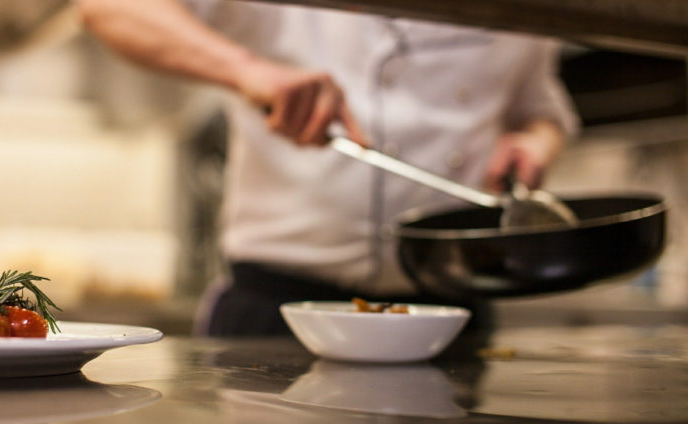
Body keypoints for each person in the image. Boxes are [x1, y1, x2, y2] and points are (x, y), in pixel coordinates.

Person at [76, 0, 579, 335]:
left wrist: (533, 144)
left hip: (452, 314)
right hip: (276, 309)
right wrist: (248, 70)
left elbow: (541, 109)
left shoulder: (521, 10)